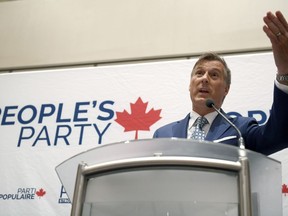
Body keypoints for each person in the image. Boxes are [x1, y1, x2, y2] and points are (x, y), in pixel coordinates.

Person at [153, 11, 288, 156]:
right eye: (199, 73)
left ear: (226, 89)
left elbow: (278, 135)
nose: (204, 79)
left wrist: (284, 72)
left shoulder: (240, 130)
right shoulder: (162, 135)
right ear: (190, 84)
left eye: (214, 75)